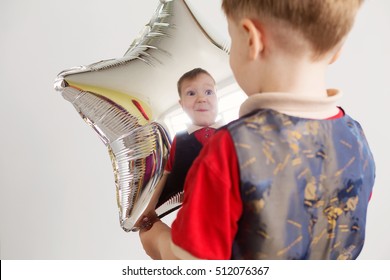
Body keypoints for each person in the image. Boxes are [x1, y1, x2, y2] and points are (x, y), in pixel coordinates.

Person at [139, 0, 376, 260]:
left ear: (252, 40)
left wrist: (157, 237)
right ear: (337, 50)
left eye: (232, 41)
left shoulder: (231, 149)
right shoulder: (355, 139)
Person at [137, 68, 222, 232]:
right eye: (191, 93)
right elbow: (166, 175)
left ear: (217, 98)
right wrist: (149, 210)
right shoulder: (180, 139)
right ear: (182, 104)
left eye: (208, 91)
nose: (201, 98)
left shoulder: (234, 132)